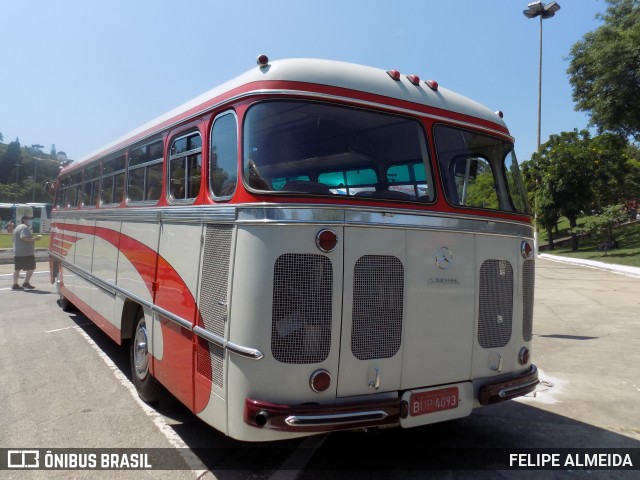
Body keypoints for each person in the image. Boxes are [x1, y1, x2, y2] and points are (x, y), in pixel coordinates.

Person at [12, 215, 42, 290]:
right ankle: (26, 283)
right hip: (26, 253)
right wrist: (35, 239)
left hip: (18, 252)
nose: (30, 221)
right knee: (31, 268)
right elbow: (23, 237)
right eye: (29, 219)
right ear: (25, 220)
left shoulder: (17, 227)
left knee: (17, 269)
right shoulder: (25, 227)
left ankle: (15, 284)